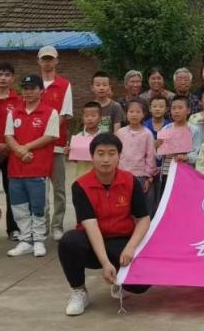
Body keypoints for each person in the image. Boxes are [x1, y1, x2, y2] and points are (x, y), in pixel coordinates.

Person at [59, 132, 151, 316]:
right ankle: (79, 290)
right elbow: (91, 225)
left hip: (121, 241)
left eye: (111, 153)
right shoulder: (81, 186)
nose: (106, 159)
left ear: (119, 156)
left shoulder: (130, 181)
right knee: (69, 242)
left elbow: (144, 219)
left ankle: (120, 283)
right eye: (100, 154)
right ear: (92, 156)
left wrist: (131, 247)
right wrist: (105, 263)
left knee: (142, 284)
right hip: (92, 242)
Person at [5, 75, 60, 258]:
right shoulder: (14, 112)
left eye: (32, 88)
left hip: (38, 168)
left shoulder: (50, 112)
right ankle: (25, 240)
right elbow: (8, 136)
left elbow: (50, 136)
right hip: (16, 169)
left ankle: (38, 240)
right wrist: (21, 152)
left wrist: (26, 147)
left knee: (39, 206)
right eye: (25, 88)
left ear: (41, 90)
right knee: (19, 207)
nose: (28, 92)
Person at [37, 45, 72, 242]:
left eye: (50, 59)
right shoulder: (33, 84)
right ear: (39, 61)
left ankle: (57, 225)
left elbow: (64, 114)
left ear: (56, 61)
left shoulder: (64, 85)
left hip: (56, 145)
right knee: (41, 190)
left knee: (59, 189)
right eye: (44, 59)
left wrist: (46, 133)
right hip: (37, 146)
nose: (47, 62)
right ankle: (42, 225)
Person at [0, 61, 21, 242]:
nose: (3, 78)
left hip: (12, 153)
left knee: (13, 192)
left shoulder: (19, 101)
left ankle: (13, 229)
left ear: (12, 78)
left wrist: (8, 147)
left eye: (7, 75)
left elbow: (21, 127)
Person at [116, 99, 157, 197]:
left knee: (139, 202)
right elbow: (116, 153)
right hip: (121, 174)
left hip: (140, 175)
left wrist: (149, 177)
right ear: (126, 113)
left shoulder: (147, 134)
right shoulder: (120, 132)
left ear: (144, 114)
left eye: (138, 112)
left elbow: (150, 156)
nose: (134, 115)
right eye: (131, 111)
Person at [158, 96, 194, 191]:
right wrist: (157, 146)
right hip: (167, 172)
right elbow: (159, 156)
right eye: (173, 108)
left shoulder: (194, 129)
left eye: (180, 108)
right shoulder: (166, 129)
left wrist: (186, 157)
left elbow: (198, 153)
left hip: (186, 173)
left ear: (188, 110)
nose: (176, 111)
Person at [70, 102, 103, 180]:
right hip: (82, 176)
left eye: (93, 116)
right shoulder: (78, 137)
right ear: (82, 118)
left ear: (100, 118)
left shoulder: (104, 138)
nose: (89, 118)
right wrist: (69, 153)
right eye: (86, 116)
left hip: (101, 177)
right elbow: (76, 160)